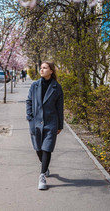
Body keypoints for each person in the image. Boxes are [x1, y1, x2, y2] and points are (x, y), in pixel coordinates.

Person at [26, 61, 64, 190]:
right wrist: (29, 117)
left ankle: (42, 175)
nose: (41, 70)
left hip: (51, 122)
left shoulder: (56, 87)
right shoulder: (34, 85)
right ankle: (45, 166)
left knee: (47, 147)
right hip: (35, 122)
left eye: (45, 68)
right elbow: (29, 101)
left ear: (51, 71)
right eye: (41, 68)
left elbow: (60, 107)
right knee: (38, 148)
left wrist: (60, 125)